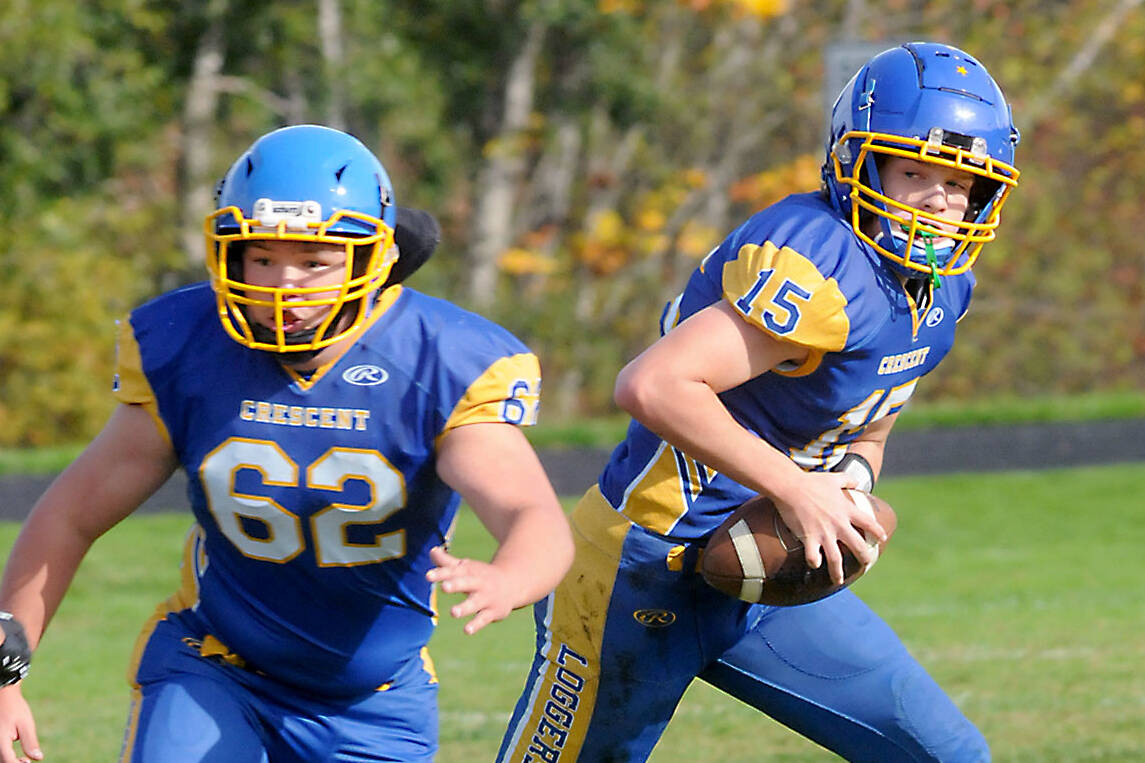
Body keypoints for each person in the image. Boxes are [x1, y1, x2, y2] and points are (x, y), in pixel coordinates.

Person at [497, 41, 1019, 762]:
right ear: (856, 163)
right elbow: (652, 383)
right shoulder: (819, 261)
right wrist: (793, 487)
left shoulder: (940, 292)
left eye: (960, 182)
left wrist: (849, 492)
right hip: (638, 568)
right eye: (913, 172)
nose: (940, 199)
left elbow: (869, 427)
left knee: (946, 754)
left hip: (761, 572)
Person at [0, 124, 574, 763]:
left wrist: (510, 575)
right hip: (215, 665)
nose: (283, 283)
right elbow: (70, 515)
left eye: (313, 261)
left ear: (370, 258)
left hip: (375, 701)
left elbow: (534, 517)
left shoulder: (439, 359)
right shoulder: (188, 346)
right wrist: (1, 675)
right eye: (263, 257)